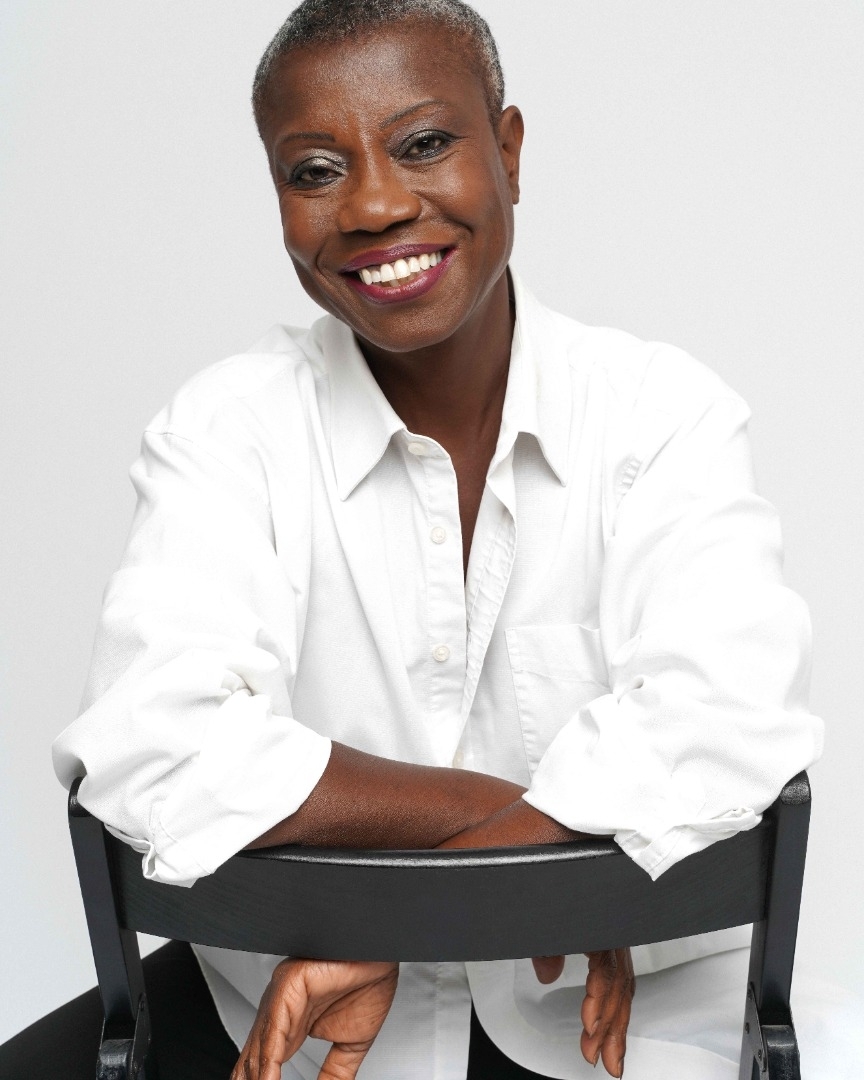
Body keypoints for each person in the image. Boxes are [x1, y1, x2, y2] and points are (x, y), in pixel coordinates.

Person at [0, 1, 825, 1078]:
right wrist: (506, 817)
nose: (376, 205)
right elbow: (151, 741)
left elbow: (725, 718)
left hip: (620, 1025)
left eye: (425, 143)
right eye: (314, 170)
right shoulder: (226, 430)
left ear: (510, 152)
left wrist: (384, 926)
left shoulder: (663, 417)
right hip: (281, 1020)